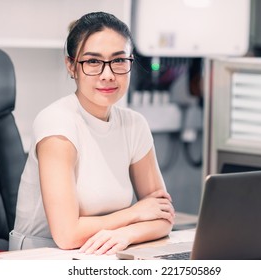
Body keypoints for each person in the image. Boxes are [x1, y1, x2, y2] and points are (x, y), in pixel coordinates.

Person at [9, 11, 175, 255]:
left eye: (118, 60)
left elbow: (162, 214)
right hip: (42, 256)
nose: (108, 74)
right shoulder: (57, 123)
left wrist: (125, 234)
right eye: (93, 62)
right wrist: (135, 213)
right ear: (71, 65)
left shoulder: (134, 124)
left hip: (100, 252)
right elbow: (66, 235)